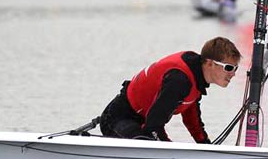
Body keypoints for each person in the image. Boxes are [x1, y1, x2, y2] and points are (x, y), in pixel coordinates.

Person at [99, 37, 242, 143]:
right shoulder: (179, 80)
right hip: (118, 117)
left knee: (154, 142)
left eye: (235, 68)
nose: (233, 73)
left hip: (143, 121)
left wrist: (205, 146)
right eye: (228, 68)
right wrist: (168, 146)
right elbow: (153, 125)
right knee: (146, 142)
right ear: (210, 63)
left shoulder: (196, 78)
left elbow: (191, 117)